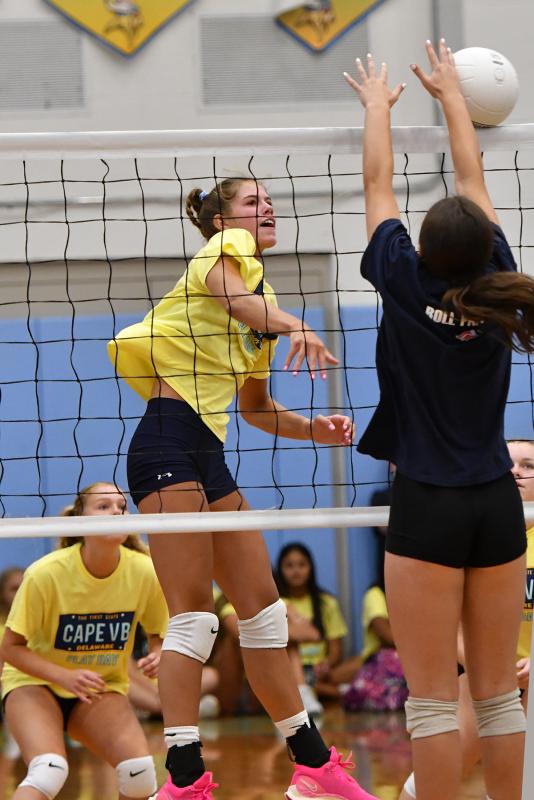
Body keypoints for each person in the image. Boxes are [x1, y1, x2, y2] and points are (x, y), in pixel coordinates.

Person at [108, 177, 376, 800]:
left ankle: (313, 765)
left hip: (209, 457)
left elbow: (256, 408)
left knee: (264, 614)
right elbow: (233, 300)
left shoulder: (265, 298)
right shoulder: (220, 257)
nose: (268, 208)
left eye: (269, 200)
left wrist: (315, 429)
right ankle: (185, 778)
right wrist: (296, 324)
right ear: (222, 221)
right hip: (166, 447)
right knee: (194, 620)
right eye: (253, 202)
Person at [344, 39, 534, 800]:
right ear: (485, 246)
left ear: (421, 248)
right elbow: (472, 177)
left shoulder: (401, 276)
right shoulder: (499, 285)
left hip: (425, 501)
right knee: (497, 693)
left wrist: (378, 108)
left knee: (430, 700)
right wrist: (454, 95)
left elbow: (376, 183)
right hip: (496, 500)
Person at [0, 482, 168, 800]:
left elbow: (159, 634)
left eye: (121, 507)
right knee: (48, 770)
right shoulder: (46, 574)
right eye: (103, 506)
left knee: (139, 774)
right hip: (34, 684)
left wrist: (159, 652)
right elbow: (10, 648)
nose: (115, 512)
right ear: (80, 518)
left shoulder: (145, 571)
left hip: (99, 688)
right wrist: (65, 676)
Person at [399, 438, 533, 798]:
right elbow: (452, 627)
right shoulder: (472, 537)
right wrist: (494, 667)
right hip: (486, 681)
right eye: (507, 464)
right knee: (421, 787)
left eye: (528, 466)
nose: (516, 472)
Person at [275, 542, 350, 711]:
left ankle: (316, 689)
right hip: (289, 670)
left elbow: (336, 649)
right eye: (289, 566)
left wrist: (326, 665)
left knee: (360, 662)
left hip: (321, 671)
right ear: (280, 570)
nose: (296, 571)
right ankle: (337, 692)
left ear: (311, 567)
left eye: (301, 565)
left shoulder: (327, 602)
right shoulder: (277, 603)